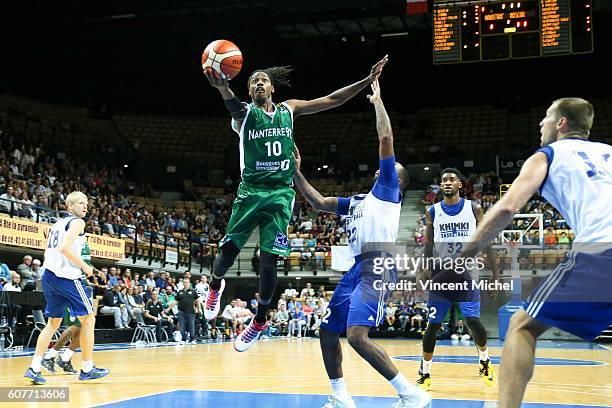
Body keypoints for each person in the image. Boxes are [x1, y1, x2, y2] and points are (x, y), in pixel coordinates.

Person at [203, 55, 389, 353]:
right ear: (249, 90)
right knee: (227, 252)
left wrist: (367, 81)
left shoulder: (289, 110)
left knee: (269, 260)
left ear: (272, 88)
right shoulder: (245, 115)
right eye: (253, 81)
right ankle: (214, 287)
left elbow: (331, 99)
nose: (259, 83)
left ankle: (261, 320)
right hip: (251, 190)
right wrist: (223, 88)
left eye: (263, 79)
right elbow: (232, 105)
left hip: (280, 192)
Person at [462, 97, 612, 408]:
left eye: (545, 116)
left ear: (561, 123)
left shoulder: (547, 154)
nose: (539, 123)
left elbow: (508, 206)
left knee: (522, 325)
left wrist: (465, 253)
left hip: (601, 250)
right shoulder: (609, 154)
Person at [292, 78, 429, 408]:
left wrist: (377, 101)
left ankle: (411, 394)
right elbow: (319, 203)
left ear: (398, 181)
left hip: (378, 264)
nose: (385, 171)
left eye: (391, 171)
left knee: (355, 336)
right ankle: (341, 397)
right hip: (355, 269)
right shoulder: (357, 200)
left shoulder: (388, 193)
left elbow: (385, 137)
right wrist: (296, 172)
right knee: (327, 333)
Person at [415, 167, 499, 390]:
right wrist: (422, 270)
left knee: (473, 321)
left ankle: (484, 360)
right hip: (440, 274)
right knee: (433, 325)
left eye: (452, 179)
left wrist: (495, 276)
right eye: (444, 180)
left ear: (460, 185)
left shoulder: (474, 209)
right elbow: (429, 244)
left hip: (467, 274)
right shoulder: (432, 211)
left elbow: (486, 242)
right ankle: (425, 371)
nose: (447, 183)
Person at [24, 191, 109, 384]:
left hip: (49, 277)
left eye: (86, 203)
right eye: (80, 203)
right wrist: (86, 267)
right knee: (88, 320)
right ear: (70, 207)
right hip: (67, 279)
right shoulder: (78, 222)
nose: (85, 206)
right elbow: (64, 248)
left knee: (52, 324)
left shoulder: (58, 223)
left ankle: (34, 367)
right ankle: (87, 368)